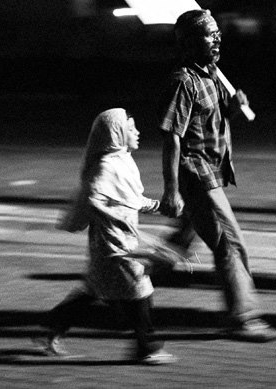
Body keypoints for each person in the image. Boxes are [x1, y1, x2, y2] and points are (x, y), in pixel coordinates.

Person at [158, 9, 276, 342]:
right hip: (196, 175)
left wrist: (232, 107)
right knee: (230, 243)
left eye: (217, 33)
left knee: (191, 242)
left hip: (212, 171)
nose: (217, 39)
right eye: (209, 34)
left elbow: (213, 119)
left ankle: (135, 280)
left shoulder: (210, 75)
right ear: (188, 42)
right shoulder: (184, 82)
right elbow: (172, 136)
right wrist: (171, 190)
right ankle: (243, 318)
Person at [36, 108, 178, 365]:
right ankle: (146, 347)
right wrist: (112, 217)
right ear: (117, 134)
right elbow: (93, 198)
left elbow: (130, 200)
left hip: (121, 240)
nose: (137, 132)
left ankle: (51, 328)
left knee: (94, 289)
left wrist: (159, 206)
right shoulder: (106, 166)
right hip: (112, 244)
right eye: (131, 128)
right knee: (139, 287)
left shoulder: (122, 162)